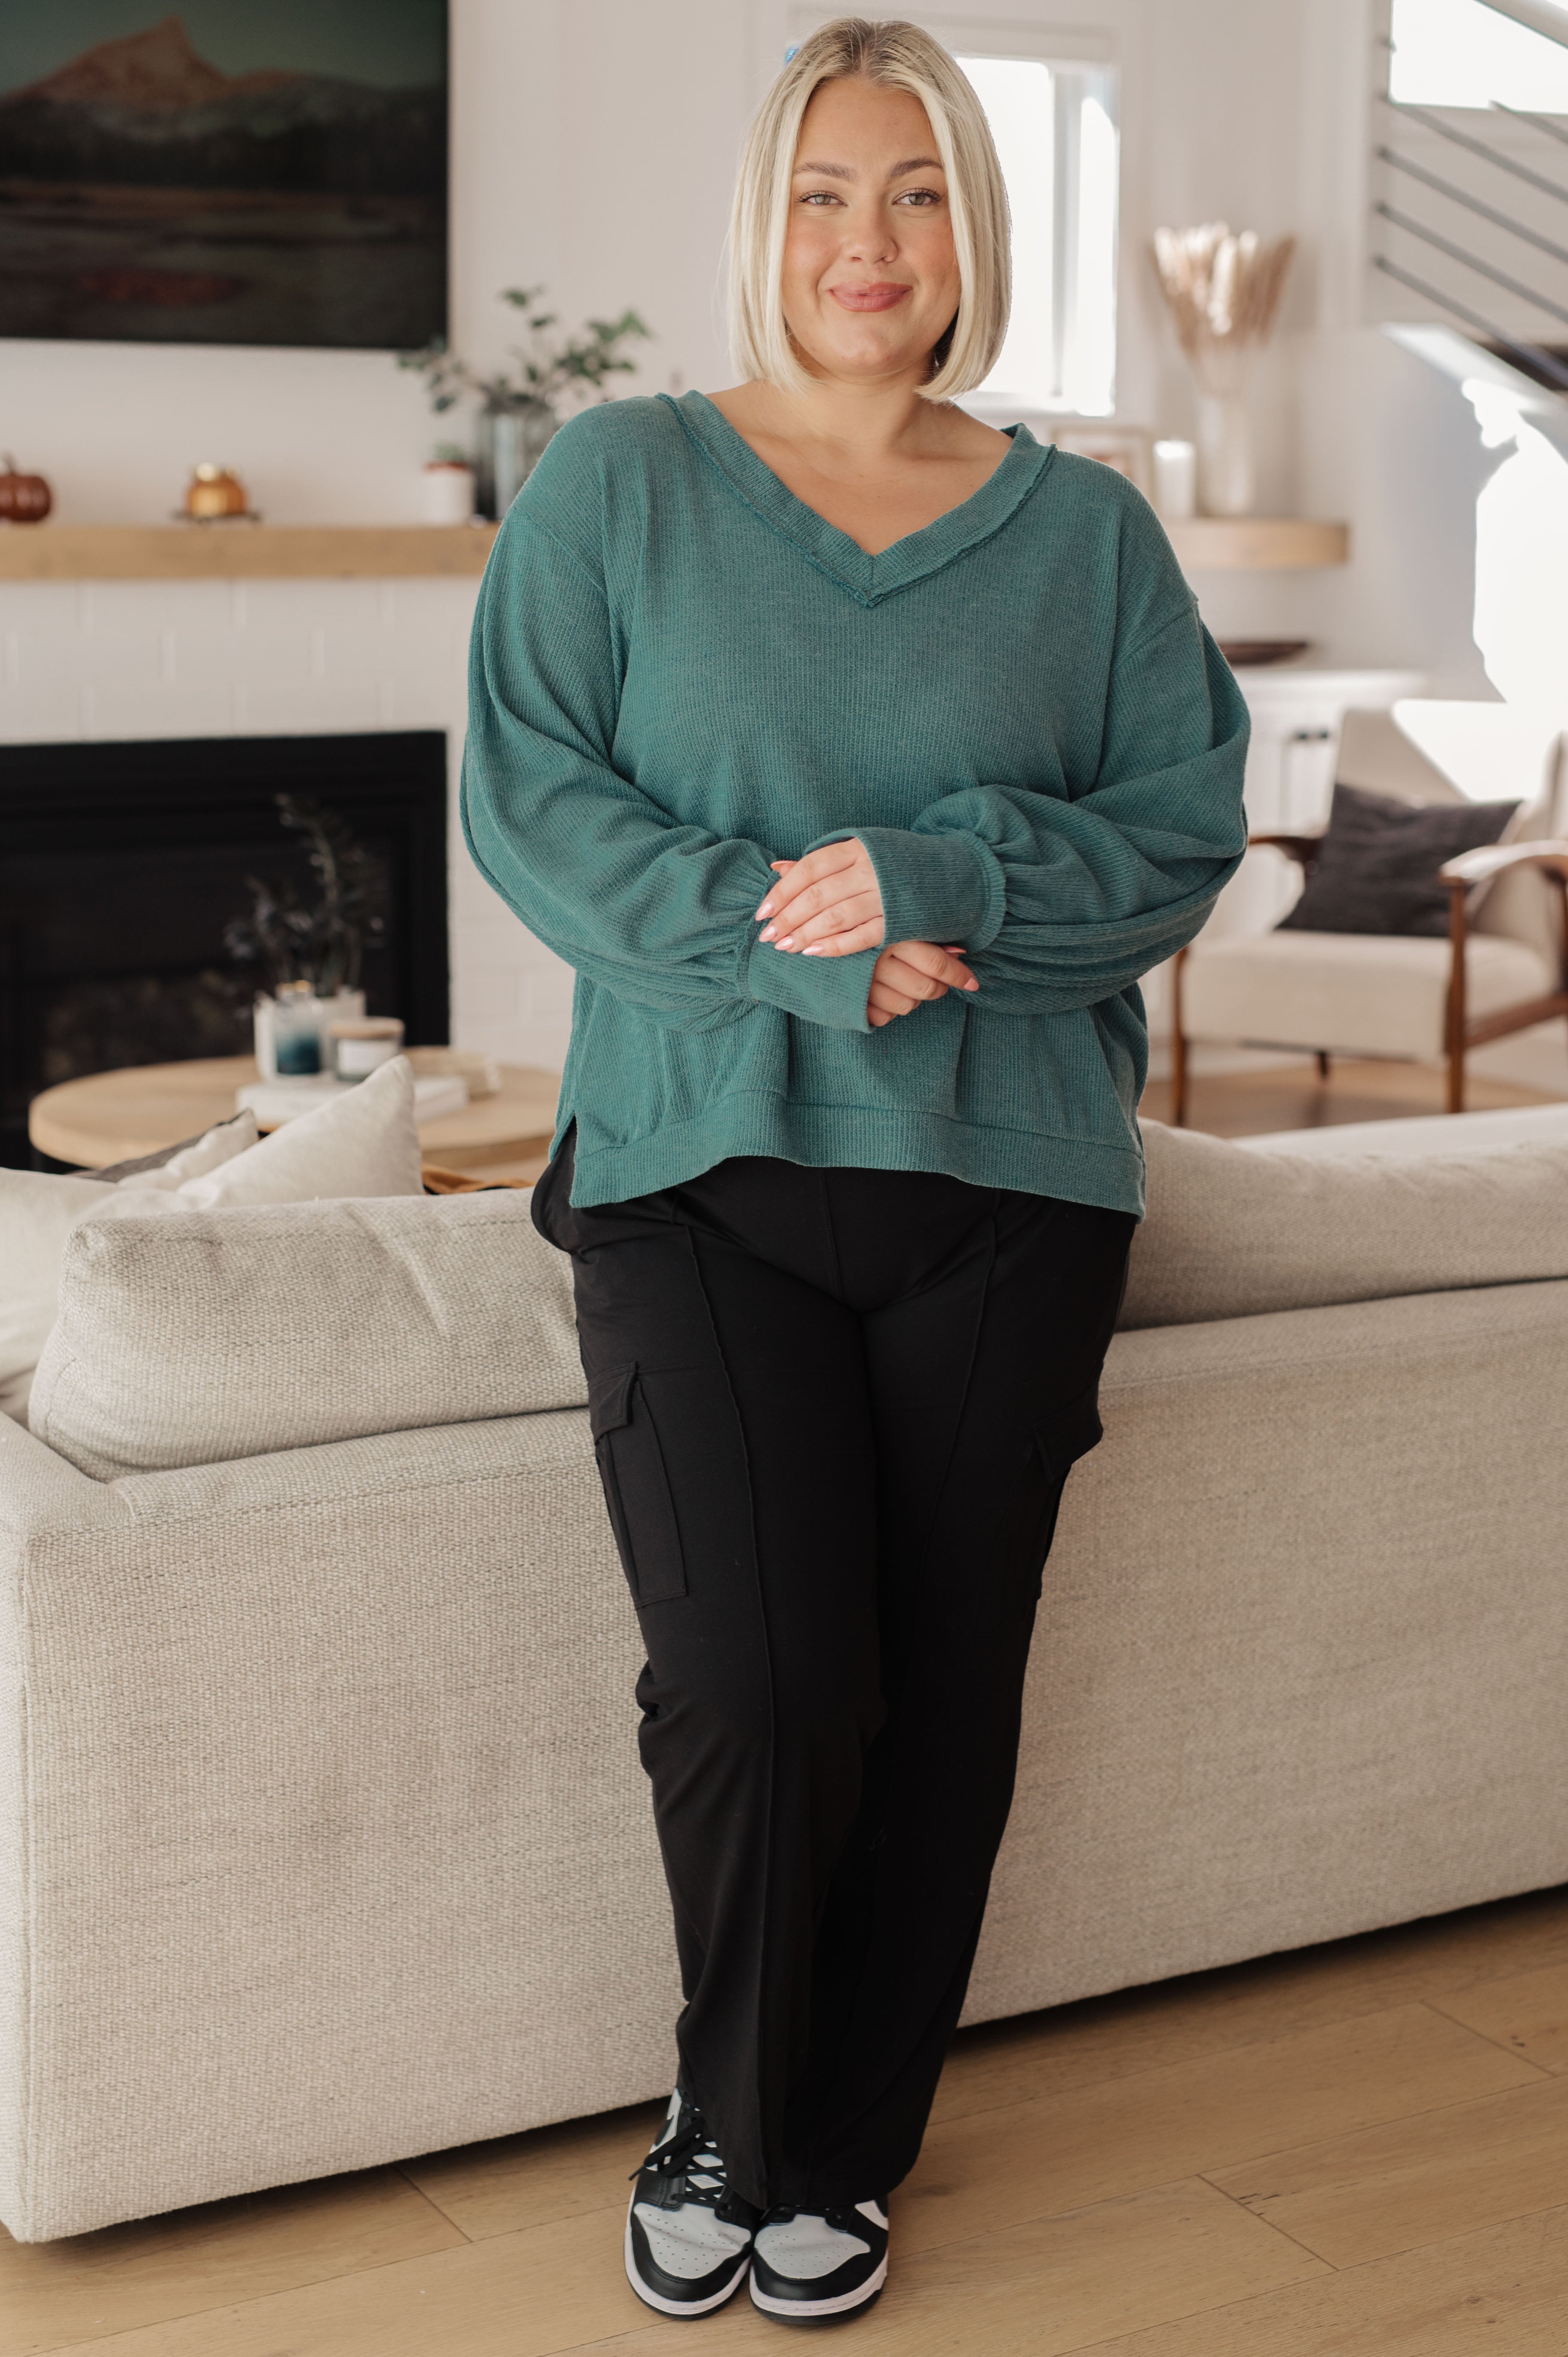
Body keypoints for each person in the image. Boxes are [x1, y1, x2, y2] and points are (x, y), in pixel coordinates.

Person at [462, 15, 1247, 2327]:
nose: (867, 240)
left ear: (971, 231)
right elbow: (534, 799)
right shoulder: (621, 483)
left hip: (1008, 1191)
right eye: (825, 191)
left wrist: (950, 877)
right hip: (697, 1168)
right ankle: (722, 2106)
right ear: (764, 223)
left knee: (941, 1684)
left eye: (914, 193)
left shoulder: (1084, 531)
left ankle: (847, 2144)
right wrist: (785, 940)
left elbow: (1182, 832)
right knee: (755, 1676)